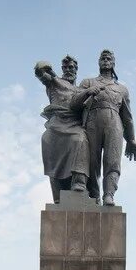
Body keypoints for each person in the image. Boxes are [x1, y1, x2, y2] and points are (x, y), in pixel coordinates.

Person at [73, 49, 136, 206]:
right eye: (102, 58)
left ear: (113, 63)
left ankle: (109, 194)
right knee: (92, 161)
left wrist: (131, 139)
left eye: (108, 58)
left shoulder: (122, 89)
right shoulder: (88, 82)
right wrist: (88, 92)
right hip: (92, 121)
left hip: (114, 122)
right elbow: (74, 103)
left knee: (113, 159)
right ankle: (94, 196)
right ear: (98, 62)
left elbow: (127, 117)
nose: (105, 60)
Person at [34, 61, 91, 204]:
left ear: (76, 70)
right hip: (56, 124)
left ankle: (79, 182)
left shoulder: (80, 89)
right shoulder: (53, 82)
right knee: (47, 140)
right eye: (65, 67)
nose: (68, 70)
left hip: (74, 125)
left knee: (80, 140)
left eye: (71, 67)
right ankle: (58, 194)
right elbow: (39, 71)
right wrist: (49, 71)